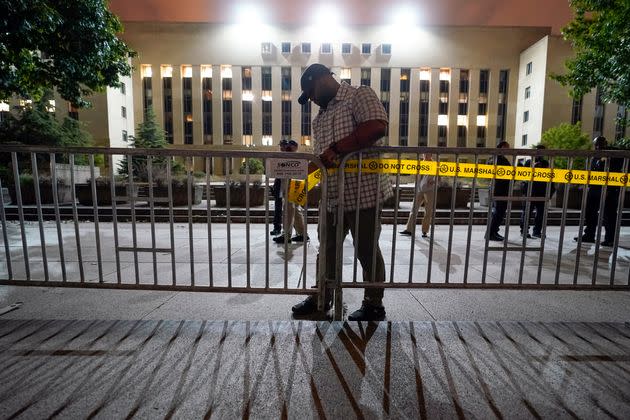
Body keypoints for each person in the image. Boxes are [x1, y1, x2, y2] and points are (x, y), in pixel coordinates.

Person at [291, 63, 393, 321]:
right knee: (326, 249)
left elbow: (377, 126)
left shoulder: (359, 95)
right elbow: (324, 160)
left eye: (311, 90)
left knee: (367, 249)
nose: (312, 98)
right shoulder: (321, 118)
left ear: (324, 78)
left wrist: (337, 149)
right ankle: (321, 299)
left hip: (364, 193)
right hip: (333, 196)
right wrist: (309, 183)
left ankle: (373, 304)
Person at [574, 136, 623, 247]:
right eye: (596, 145)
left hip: (609, 190)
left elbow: (615, 173)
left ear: (605, 143)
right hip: (594, 189)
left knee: (609, 215)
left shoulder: (614, 155)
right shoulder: (595, 156)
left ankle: (610, 239)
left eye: (600, 144)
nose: (597, 147)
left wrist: (609, 190)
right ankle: (589, 235)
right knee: (590, 213)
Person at [273, 139, 308, 244]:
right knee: (296, 209)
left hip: (294, 185)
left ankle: (286, 235)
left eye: (290, 146)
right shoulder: (285, 156)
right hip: (292, 184)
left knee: (288, 208)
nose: (287, 148)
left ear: (296, 147)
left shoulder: (298, 157)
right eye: (286, 146)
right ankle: (302, 234)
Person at [519, 144, 554, 239]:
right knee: (527, 212)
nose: (541, 155)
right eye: (539, 152)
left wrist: (550, 193)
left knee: (541, 213)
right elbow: (523, 176)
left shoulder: (546, 163)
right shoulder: (529, 162)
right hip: (530, 192)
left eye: (543, 152)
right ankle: (524, 231)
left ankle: (537, 231)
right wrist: (533, 168)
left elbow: (550, 177)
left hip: (542, 192)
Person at [400, 153, 435, 238]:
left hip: (429, 191)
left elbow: (439, 177)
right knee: (413, 209)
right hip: (419, 190)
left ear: (431, 155)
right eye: (424, 154)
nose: (425, 156)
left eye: (427, 154)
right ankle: (409, 230)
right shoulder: (420, 164)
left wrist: (434, 181)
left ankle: (425, 231)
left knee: (428, 211)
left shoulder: (434, 165)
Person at [486, 141, 512, 241]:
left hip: (498, 188)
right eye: (507, 147)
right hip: (499, 189)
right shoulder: (498, 158)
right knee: (499, 212)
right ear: (502, 147)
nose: (509, 150)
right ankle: (491, 233)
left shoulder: (495, 158)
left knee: (498, 212)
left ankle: (492, 232)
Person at [269, 140, 288, 236]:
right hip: (279, 183)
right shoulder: (278, 156)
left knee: (291, 208)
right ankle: (277, 228)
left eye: (282, 146)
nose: (281, 148)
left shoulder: (291, 156)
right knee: (278, 207)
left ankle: (294, 231)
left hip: (288, 183)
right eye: (280, 146)